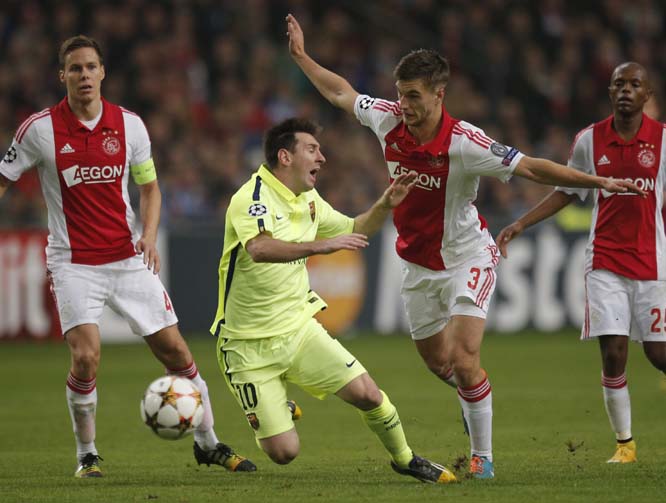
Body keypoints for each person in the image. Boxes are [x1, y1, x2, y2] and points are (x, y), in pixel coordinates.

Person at [285, 14, 645, 479]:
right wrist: (301, 57)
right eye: (400, 93)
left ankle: (483, 457)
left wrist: (597, 181)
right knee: (442, 365)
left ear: (439, 94)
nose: (403, 104)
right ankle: (474, 401)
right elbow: (341, 93)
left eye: (413, 96)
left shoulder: (465, 142)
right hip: (416, 264)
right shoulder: (387, 119)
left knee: (464, 357)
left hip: (467, 256)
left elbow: (533, 168)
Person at [0, 35, 255, 477]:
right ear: (62, 75)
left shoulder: (129, 125)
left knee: (176, 351)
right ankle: (87, 455)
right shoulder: (39, 130)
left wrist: (150, 236)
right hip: (74, 262)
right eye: (75, 68)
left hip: (127, 258)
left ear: (103, 72)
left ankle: (208, 443)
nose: (84, 75)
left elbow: (150, 187)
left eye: (91, 67)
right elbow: (3, 178)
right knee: (86, 357)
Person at [210, 117, 457, 484]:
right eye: (312, 149)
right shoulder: (252, 197)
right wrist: (320, 245)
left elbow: (355, 228)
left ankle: (405, 458)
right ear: (285, 157)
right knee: (284, 453)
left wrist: (385, 205)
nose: (322, 158)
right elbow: (259, 248)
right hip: (246, 346)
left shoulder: (309, 200)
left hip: (298, 330)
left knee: (368, 394)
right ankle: (278, 406)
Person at [496, 62, 666, 464]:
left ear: (648, 95)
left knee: (659, 355)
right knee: (613, 353)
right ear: (610, 92)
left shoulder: (662, 141)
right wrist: (521, 222)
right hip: (604, 262)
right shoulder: (590, 140)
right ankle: (625, 445)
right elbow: (567, 190)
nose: (626, 89)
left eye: (635, 84)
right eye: (619, 83)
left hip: (653, 264)